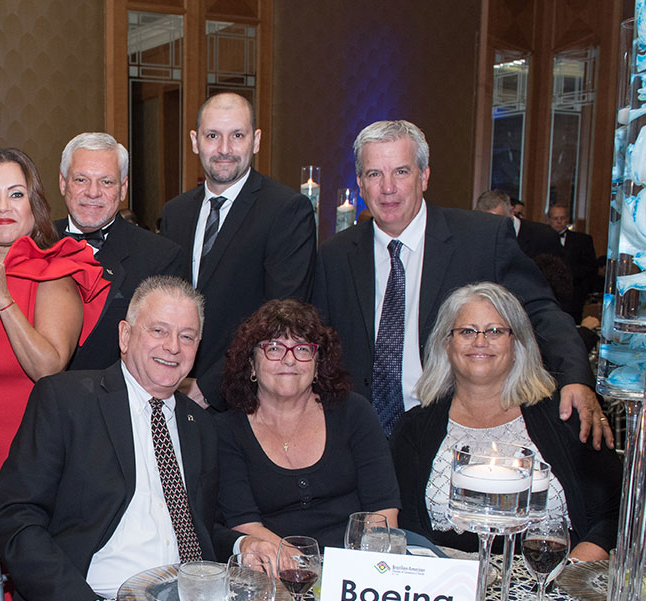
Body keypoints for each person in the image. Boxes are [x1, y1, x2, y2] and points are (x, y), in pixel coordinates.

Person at [310, 119, 609, 447]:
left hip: (457, 436)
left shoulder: (482, 240)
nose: (388, 187)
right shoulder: (335, 255)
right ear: (360, 182)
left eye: (401, 172)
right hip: (360, 441)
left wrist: (576, 378)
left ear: (424, 176)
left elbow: (541, 313)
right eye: (374, 174)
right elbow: (319, 347)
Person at [0, 276, 235, 601]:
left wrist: (243, 545)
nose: (173, 347)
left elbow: (199, 525)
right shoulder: (67, 400)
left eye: (187, 337)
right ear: (125, 335)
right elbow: (15, 520)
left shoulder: (199, 424)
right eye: (159, 330)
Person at [391, 282, 619, 559]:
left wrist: (568, 573)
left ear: (518, 343)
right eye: (467, 331)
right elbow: (406, 525)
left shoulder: (564, 415)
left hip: (553, 577)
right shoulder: (414, 429)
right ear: (446, 344)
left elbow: (611, 513)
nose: (480, 341)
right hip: (447, 578)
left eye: (495, 331)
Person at [158, 92, 316, 409]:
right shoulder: (175, 212)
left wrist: (208, 387)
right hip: (175, 391)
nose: (224, 149)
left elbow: (278, 317)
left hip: (243, 399)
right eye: (212, 136)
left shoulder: (286, 210)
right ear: (195, 141)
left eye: (237, 136)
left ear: (256, 141)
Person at [0, 146, 110, 472]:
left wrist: (2, 297)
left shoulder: (54, 273)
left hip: (29, 461)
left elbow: (48, 369)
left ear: (35, 205)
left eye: (16, 194)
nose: (3, 206)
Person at [216, 299, 400, 557]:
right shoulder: (225, 430)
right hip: (274, 568)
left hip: (356, 565)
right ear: (251, 364)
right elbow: (244, 524)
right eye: (274, 348)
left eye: (302, 349)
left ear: (317, 364)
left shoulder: (354, 412)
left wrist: (360, 569)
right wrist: (307, 570)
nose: (289, 360)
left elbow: (383, 510)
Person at [54, 132, 189, 370]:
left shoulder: (161, 257)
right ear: (63, 183)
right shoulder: (35, 244)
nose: (93, 192)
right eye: (81, 180)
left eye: (106, 182)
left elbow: (166, 350)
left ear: (123, 188)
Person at [474, 188, 561, 262]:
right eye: (485, 221)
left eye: (497, 221)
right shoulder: (475, 238)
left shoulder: (545, 237)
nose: (491, 226)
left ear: (511, 212)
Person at [547, 203, 601, 323]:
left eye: (562, 218)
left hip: (574, 296)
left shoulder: (582, 240)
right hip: (548, 294)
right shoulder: (540, 239)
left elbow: (591, 268)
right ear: (549, 220)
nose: (559, 221)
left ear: (567, 219)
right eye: (555, 218)